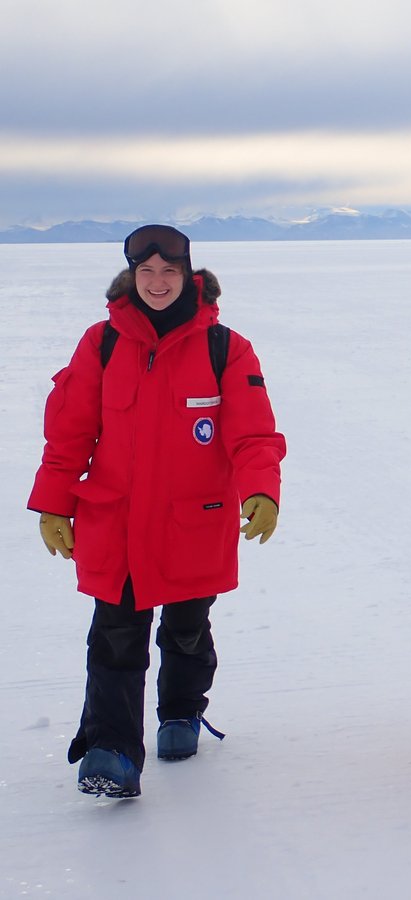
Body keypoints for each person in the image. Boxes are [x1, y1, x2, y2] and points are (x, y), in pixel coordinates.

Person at [28, 224, 287, 797]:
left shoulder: (226, 348)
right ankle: (111, 751)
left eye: (169, 271)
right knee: (115, 636)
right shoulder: (102, 343)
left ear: (188, 274)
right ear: (131, 276)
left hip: (192, 520)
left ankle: (180, 712)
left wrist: (261, 490)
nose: (158, 282)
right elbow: (69, 433)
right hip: (115, 521)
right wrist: (53, 502)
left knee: (187, 630)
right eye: (147, 272)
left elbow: (252, 433)